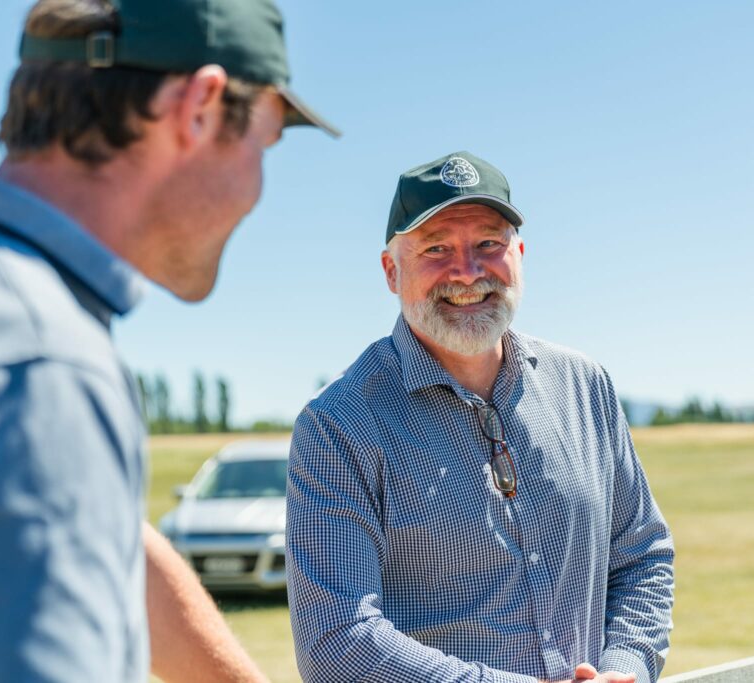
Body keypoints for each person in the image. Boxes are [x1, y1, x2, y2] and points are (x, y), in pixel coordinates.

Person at [0, 0, 337, 680]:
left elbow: (87, 529)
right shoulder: (40, 370)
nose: (259, 183)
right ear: (201, 107)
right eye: (265, 144)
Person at [287, 151, 674, 683]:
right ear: (390, 270)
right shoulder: (339, 427)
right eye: (437, 248)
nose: (467, 272)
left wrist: (624, 669)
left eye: (488, 244)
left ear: (519, 253)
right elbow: (337, 641)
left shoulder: (584, 385)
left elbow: (642, 555)